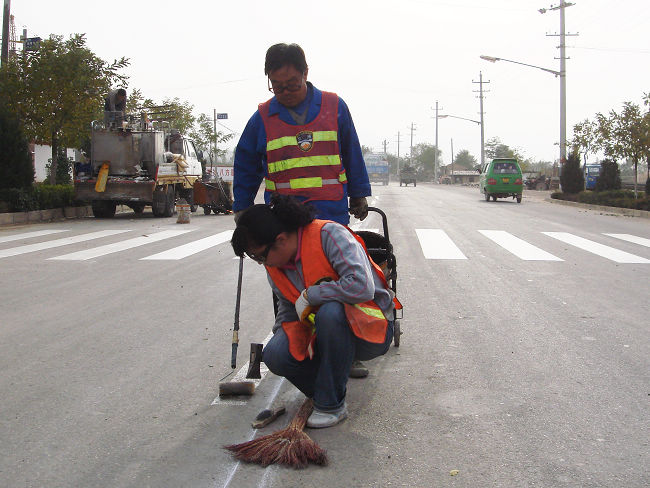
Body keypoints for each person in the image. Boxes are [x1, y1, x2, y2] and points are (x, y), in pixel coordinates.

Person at [232, 43, 372, 377]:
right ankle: (294, 342)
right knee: (284, 280)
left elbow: (351, 150)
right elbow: (246, 162)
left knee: (337, 281)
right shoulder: (263, 117)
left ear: (306, 74)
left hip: (329, 215)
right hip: (284, 219)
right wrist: (241, 208)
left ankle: (346, 351)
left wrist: (359, 194)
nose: (285, 92)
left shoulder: (335, 107)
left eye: (292, 84)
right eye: (277, 86)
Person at [231, 195, 395, 428]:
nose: (260, 262)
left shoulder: (329, 236)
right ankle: (327, 389)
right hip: (322, 333)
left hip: (369, 328)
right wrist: (282, 340)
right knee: (275, 353)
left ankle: (331, 406)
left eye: (260, 255)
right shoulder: (274, 264)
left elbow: (362, 286)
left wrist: (312, 295)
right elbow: (288, 309)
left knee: (330, 311)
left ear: (280, 240)